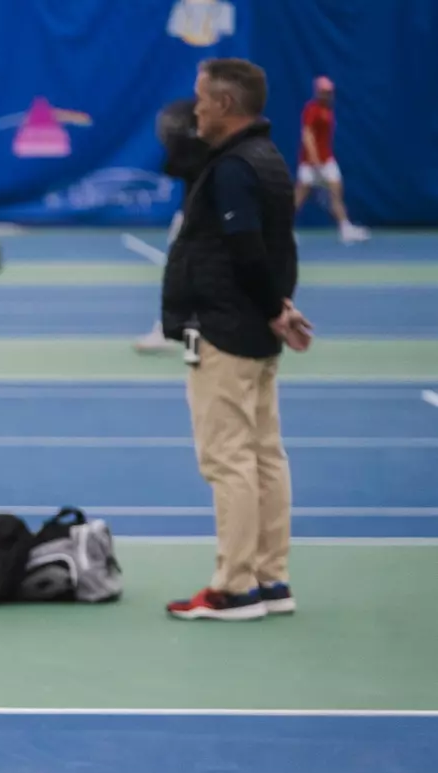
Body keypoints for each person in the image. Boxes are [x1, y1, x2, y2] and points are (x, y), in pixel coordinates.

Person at [162, 58, 312, 622]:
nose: (194, 108)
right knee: (264, 455)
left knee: (229, 460)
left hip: (226, 329)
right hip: (254, 327)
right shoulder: (265, 158)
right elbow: (277, 251)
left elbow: (249, 250)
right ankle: (272, 579)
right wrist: (280, 308)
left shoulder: (234, 169)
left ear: (224, 105)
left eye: (201, 99)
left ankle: (234, 588)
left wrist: (275, 308)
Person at [135, 98, 213, 354]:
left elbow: (173, 166)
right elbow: (172, 168)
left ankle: (173, 331)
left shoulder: (208, 147)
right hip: (194, 216)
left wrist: (181, 142)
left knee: (184, 276)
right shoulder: (205, 144)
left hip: (202, 220)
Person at [295, 76, 370, 244]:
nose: (328, 95)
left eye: (329, 92)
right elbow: (307, 135)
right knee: (299, 197)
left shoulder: (328, 110)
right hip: (310, 163)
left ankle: (345, 228)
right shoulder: (311, 109)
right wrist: (314, 159)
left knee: (336, 193)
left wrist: (322, 160)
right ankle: (282, 232)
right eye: (324, 92)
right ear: (317, 92)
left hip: (327, 160)